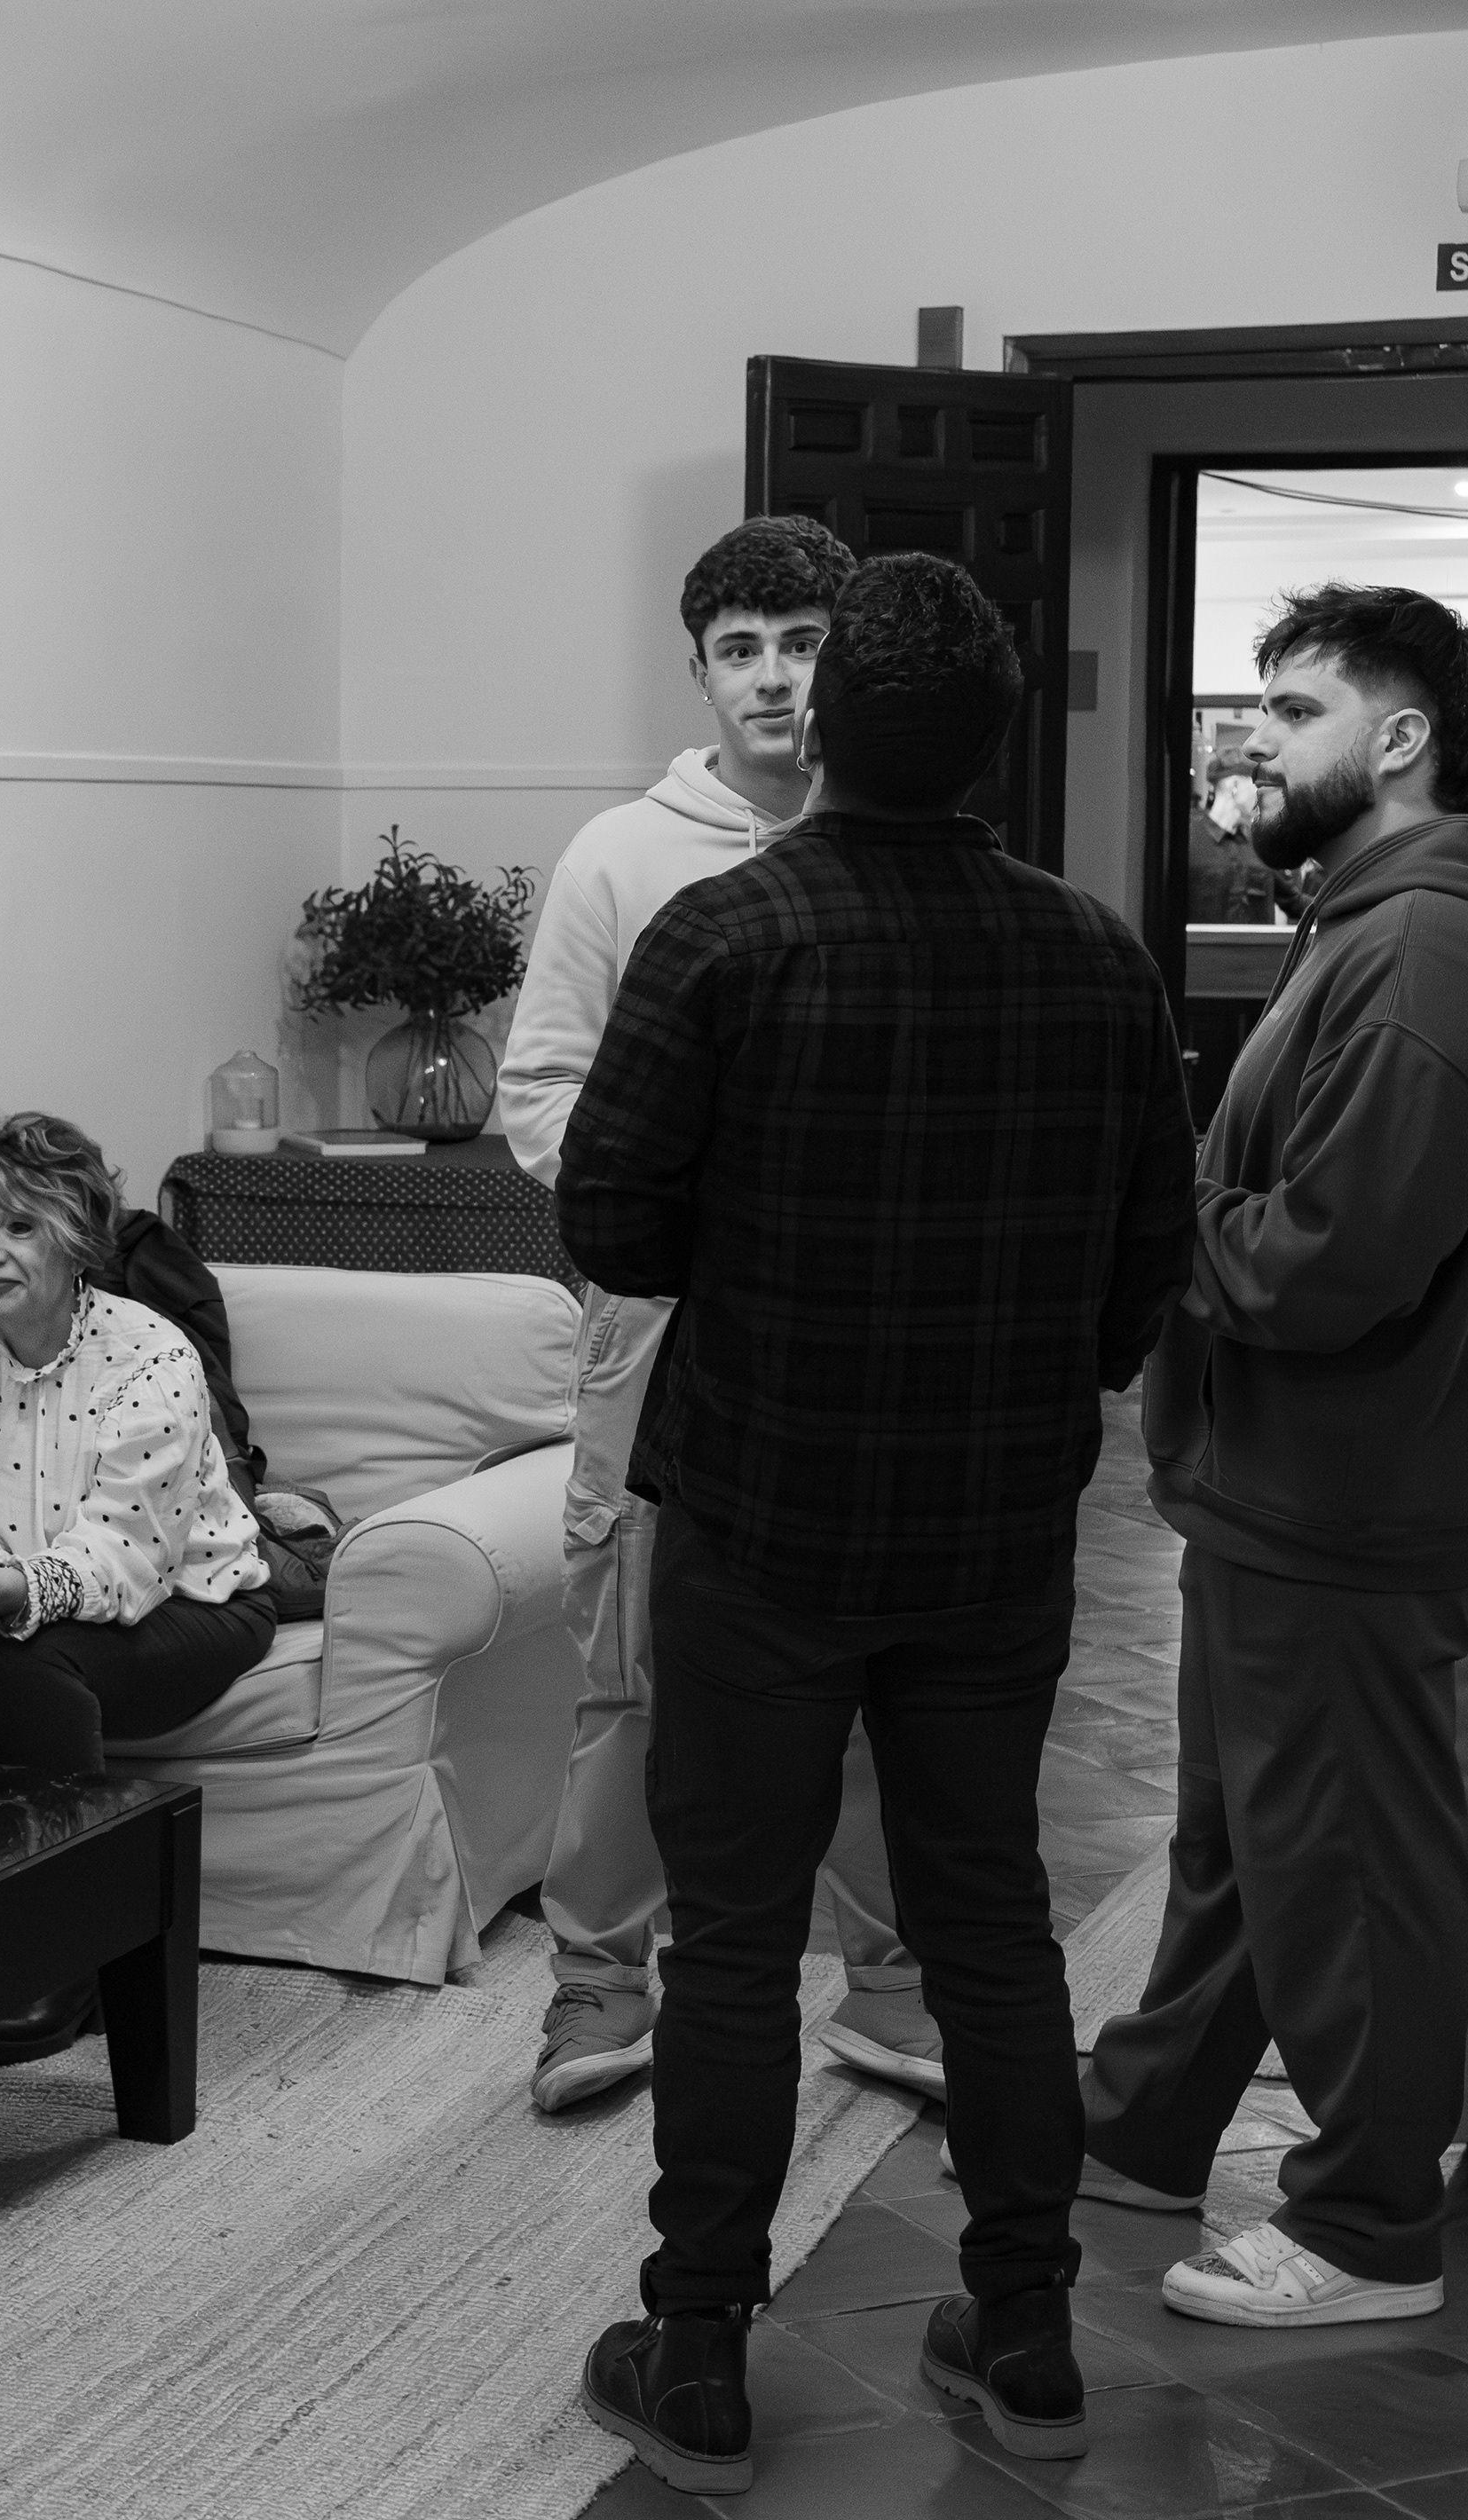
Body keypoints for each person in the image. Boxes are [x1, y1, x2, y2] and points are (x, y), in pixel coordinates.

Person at [560, 554, 1195, 2493]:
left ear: (824, 720)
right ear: (1000, 741)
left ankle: (698, 2348)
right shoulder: (1099, 954)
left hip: (762, 1513)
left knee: (735, 1943)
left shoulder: (727, 932)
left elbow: (610, 1217)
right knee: (988, 1915)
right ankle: (1026, 2327)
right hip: (993, 1526)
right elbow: (1144, 1266)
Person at [1082, 586, 1468, 2332]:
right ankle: (1147, 2119)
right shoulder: (1378, 920)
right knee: (1251, 1843)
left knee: (1349, 1860)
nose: (1255, 743)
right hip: (1293, 1478)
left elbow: (1330, 1260)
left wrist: (1153, 1211)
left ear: (1401, 738)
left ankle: (1372, 2224)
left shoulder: (1426, 947)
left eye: (1294, 710)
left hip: (1350, 1486)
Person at [497, 515, 945, 2121]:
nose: (772, 678)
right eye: (739, 649)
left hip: (859, 1341)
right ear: (698, 673)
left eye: (802, 642)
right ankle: (598, 1979)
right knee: (630, 1665)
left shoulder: (909, 839)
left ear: (848, 656)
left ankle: (889, 1977)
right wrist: (682, 1210)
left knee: (875, 1659)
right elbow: (542, 1093)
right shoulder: (622, 857)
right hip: (660, 1328)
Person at [0, 1112, 278, 2063]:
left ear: (76, 1235)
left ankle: (68, 1954)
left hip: (195, 1603)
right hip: (29, 1596)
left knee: (32, 1658)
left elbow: (124, 1558)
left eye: (19, 1225)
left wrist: (10, 1590)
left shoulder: (153, 1357)